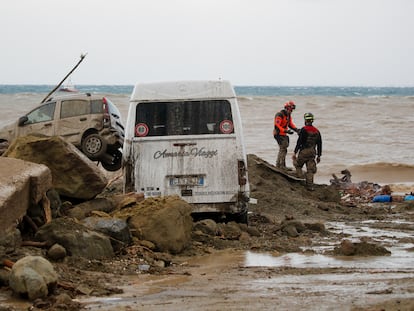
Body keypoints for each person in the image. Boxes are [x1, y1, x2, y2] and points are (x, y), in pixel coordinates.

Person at [292, 112, 322, 191]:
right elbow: (319, 144)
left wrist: (295, 152)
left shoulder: (304, 129)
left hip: (304, 151)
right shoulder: (317, 131)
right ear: (312, 121)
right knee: (310, 170)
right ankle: (310, 186)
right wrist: (319, 156)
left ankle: (301, 180)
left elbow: (299, 142)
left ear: (305, 120)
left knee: (297, 165)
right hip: (312, 152)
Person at [273, 101, 300, 170]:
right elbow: (277, 125)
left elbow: (290, 124)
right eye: (291, 109)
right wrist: (285, 130)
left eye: (292, 110)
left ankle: (279, 164)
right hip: (278, 134)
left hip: (283, 134)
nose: (291, 111)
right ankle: (281, 165)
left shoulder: (288, 116)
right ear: (287, 108)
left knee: (284, 148)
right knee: (283, 148)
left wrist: (296, 130)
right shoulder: (280, 115)